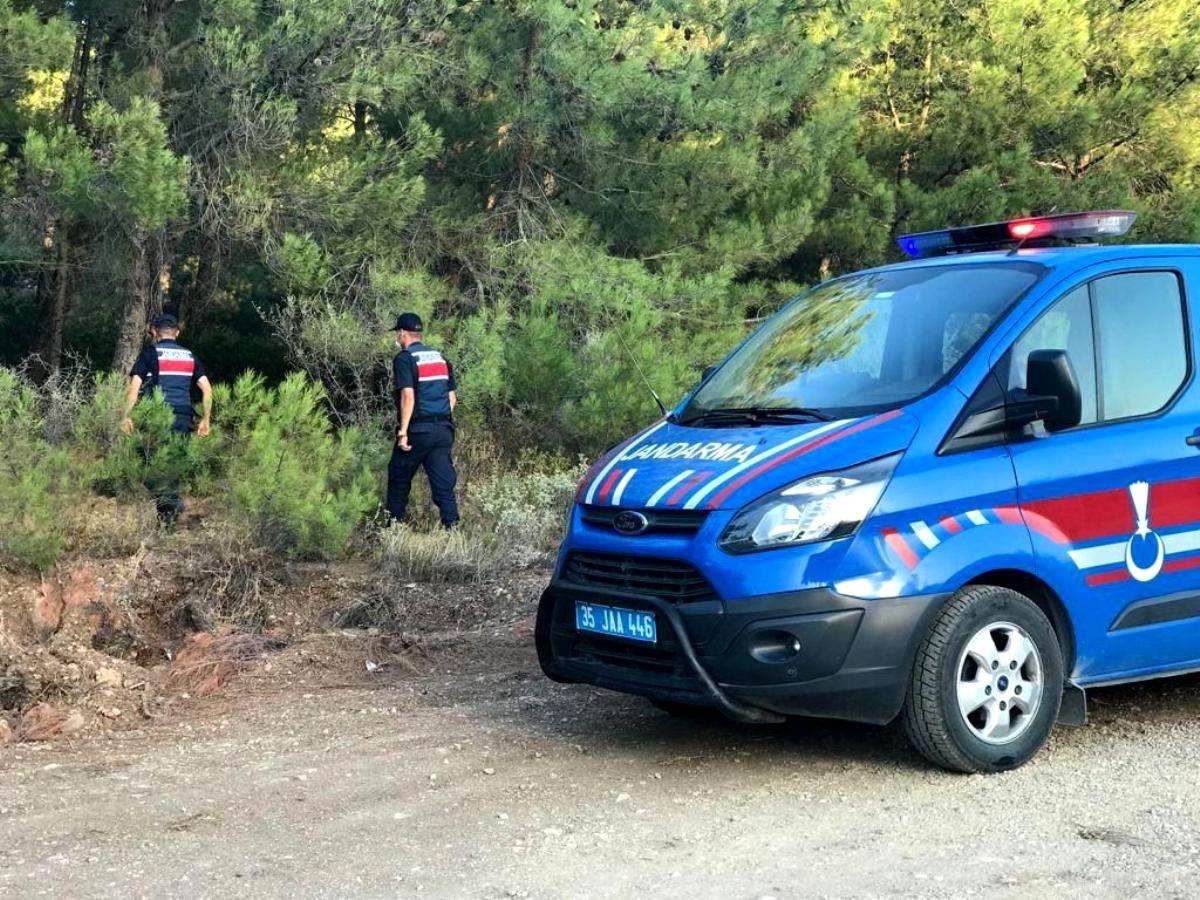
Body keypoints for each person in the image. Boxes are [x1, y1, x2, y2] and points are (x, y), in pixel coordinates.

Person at [120, 313, 212, 522]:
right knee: (174, 463)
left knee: (149, 461)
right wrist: (205, 419)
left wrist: (126, 416)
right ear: (177, 333)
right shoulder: (190, 356)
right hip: (183, 416)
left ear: (154, 331)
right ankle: (169, 515)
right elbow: (207, 389)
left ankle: (171, 507)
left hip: (158, 415)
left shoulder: (150, 354)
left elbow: (134, 389)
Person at [387, 312, 460, 528]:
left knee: (399, 479)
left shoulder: (405, 358)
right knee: (443, 485)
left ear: (402, 334)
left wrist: (403, 432)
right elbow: (452, 398)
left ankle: (394, 529)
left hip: (418, 430)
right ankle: (452, 530)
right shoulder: (440, 358)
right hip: (443, 430)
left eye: (398, 334)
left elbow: (408, 396)